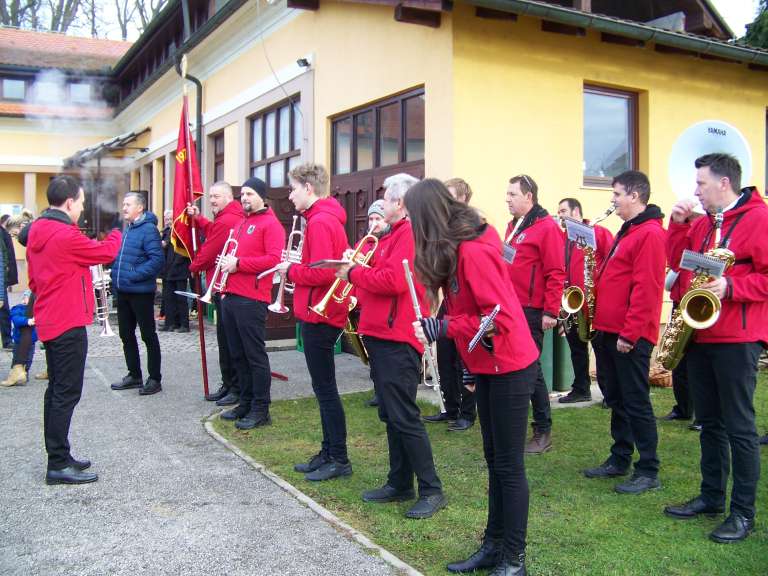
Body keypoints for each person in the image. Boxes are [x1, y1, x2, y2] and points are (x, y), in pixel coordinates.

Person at [407, 179, 538, 576]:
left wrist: (442, 329)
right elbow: (467, 306)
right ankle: (493, 546)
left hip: (511, 366)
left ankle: (513, 558)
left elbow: (497, 317)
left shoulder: (474, 251)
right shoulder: (457, 247)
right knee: (494, 461)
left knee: (509, 466)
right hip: (488, 365)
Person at [663, 153, 768, 543]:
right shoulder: (705, 223)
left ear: (725, 183)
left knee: (739, 427)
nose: (695, 190)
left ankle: (743, 512)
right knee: (709, 424)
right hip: (701, 334)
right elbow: (677, 261)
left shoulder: (759, 218)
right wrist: (676, 225)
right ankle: (710, 497)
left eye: (702, 183)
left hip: (737, 338)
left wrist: (733, 287)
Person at [336, 173, 447, 519]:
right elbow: (381, 274)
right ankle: (400, 482)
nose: (381, 203)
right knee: (391, 415)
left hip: (397, 337)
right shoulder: (392, 234)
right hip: (382, 335)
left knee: (404, 415)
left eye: (385, 198)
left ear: (400, 203)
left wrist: (352, 273)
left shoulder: (409, 235)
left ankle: (432, 489)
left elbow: (395, 280)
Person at [26, 175, 121, 484]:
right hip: (67, 322)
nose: (81, 208)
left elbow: (34, 281)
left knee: (56, 391)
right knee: (66, 393)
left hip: (51, 318)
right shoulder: (64, 234)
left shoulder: (38, 230)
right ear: (69, 203)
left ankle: (61, 455)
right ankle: (57, 464)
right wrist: (118, 231)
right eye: (80, 203)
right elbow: (105, 253)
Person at [584, 170, 665, 495]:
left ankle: (648, 469)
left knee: (635, 401)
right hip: (608, 330)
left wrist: (630, 334)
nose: (613, 200)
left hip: (629, 335)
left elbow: (647, 289)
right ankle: (620, 457)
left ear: (634, 195)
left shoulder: (650, 234)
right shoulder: (628, 231)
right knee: (615, 398)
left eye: (617, 194)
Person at [275, 164, 353, 482]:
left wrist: (290, 272)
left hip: (320, 316)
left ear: (308, 188)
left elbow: (323, 272)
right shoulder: (320, 218)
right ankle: (329, 451)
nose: (290, 195)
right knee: (323, 389)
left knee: (325, 390)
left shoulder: (320, 221)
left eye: (293, 188)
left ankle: (339, 457)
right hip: (318, 313)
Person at [503, 174, 565, 454]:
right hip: (511, 308)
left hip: (532, 310)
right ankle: (527, 426)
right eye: (507, 194)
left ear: (529, 197)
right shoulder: (514, 227)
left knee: (531, 371)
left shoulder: (546, 227)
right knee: (522, 368)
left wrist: (550, 310)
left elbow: (555, 271)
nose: (507, 199)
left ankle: (543, 430)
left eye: (513, 194)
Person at [217, 177, 284, 430]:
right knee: (237, 354)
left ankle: (261, 408)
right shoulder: (241, 223)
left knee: (254, 355)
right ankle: (245, 401)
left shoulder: (271, 224)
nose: (244, 198)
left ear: (262, 197)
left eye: (250, 194)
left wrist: (239, 264)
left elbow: (274, 259)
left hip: (252, 298)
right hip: (232, 295)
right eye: (242, 194)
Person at [423, 177, 478, 431]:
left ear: (463, 199)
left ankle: (467, 413)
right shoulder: (445, 225)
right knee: (444, 354)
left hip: (466, 299)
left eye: (451, 196)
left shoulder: (468, 226)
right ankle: (451, 407)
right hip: (450, 297)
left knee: (464, 356)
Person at [188, 181, 244, 405]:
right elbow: (214, 231)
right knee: (226, 338)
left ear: (229, 198)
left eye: (216, 196)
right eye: (210, 196)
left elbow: (211, 248)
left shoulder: (227, 219)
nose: (212, 200)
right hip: (223, 286)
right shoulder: (226, 217)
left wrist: (192, 267)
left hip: (224, 285)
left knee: (228, 340)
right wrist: (199, 218)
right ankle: (229, 384)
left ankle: (233, 386)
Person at [556, 197, 613, 404]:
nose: (560, 215)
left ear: (576, 212)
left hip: (593, 301)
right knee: (576, 349)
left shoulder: (597, 232)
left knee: (601, 349)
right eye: (559, 211)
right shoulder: (563, 238)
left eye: (563, 211)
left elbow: (612, 261)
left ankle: (609, 393)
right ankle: (581, 388)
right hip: (571, 302)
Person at [109, 191, 164, 396]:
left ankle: (155, 378)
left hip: (140, 292)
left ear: (140, 207)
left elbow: (157, 260)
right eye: (123, 204)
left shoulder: (148, 229)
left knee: (148, 335)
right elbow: (123, 257)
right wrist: (116, 273)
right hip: (123, 291)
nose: (124, 208)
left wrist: (133, 275)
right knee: (126, 334)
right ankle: (134, 375)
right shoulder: (129, 229)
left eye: (128, 204)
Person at [361, 199, 389, 408]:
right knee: (372, 354)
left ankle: (384, 392)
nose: (373, 223)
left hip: (381, 307)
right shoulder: (364, 243)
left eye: (378, 219)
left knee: (382, 356)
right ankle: (377, 389)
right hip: (363, 304)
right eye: (371, 219)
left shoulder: (386, 243)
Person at [160, 209, 191, 333]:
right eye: (166, 219)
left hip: (179, 270)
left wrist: (174, 266)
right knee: (168, 298)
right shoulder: (167, 232)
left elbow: (183, 252)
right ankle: (170, 323)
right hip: (168, 270)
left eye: (170, 219)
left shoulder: (181, 231)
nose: (168, 221)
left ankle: (184, 324)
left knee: (181, 299)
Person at [0, 290, 37, 386]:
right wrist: (27, 321)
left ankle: (25, 373)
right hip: (19, 341)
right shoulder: (18, 309)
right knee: (16, 358)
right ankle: (14, 372)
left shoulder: (36, 310)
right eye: (26, 298)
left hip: (32, 342)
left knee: (29, 359)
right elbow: (16, 320)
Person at [0, 210, 18, 350]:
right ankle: (6, 340)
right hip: (2, 278)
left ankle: (7, 339)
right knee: (4, 309)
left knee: (4, 309)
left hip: (2, 278)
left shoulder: (2, 232)